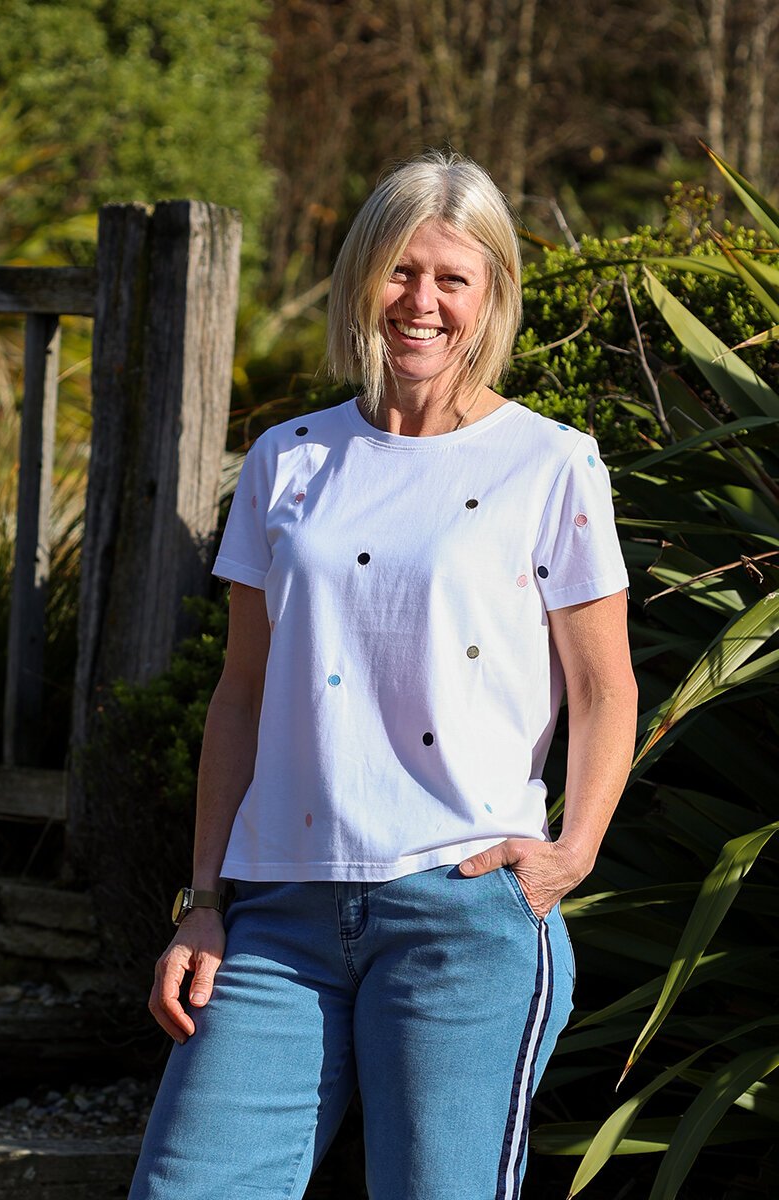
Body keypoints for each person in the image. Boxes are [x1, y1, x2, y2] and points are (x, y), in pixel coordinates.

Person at [128, 150, 638, 1200]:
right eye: (400, 270)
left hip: (462, 913)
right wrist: (203, 900)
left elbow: (603, 688)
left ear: (491, 294)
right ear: (363, 276)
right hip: (278, 915)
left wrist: (570, 854)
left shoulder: (551, 462)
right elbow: (241, 693)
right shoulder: (286, 459)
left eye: (452, 278)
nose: (421, 302)